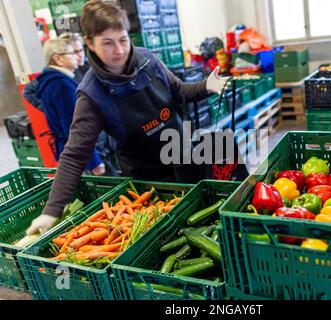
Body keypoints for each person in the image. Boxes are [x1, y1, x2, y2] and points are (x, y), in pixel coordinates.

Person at [26, 0, 228, 235]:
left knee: (208, 224)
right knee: (173, 235)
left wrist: (206, 86)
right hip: (150, 184)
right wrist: (51, 211)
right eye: (108, 43)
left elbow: (179, 90)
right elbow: (74, 154)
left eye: (123, 40)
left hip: (184, 156)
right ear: (90, 43)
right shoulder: (91, 94)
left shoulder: (148, 60)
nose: (119, 50)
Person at [35, 38, 105, 179]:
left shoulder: (50, 80)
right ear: (58, 59)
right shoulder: (62, 85)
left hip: (70, 151)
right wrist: (94, 162)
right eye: (71, 53)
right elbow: (75, 127)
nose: (77, 56)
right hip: (82, 157)